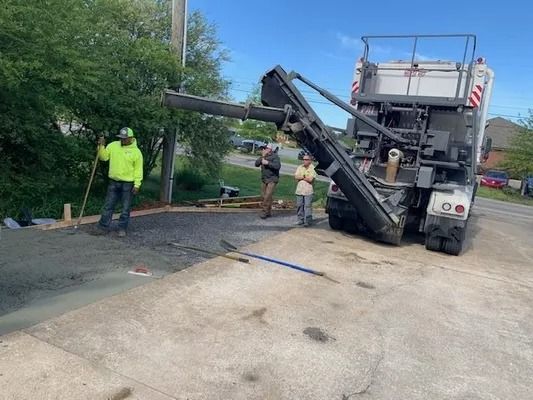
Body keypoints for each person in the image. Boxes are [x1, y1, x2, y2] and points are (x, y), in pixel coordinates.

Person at [96, 127, 143, 237]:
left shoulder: (136, 152)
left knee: (125, 208)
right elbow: (103, 158)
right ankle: (103, 226)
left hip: (128, 184)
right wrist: (101, 146)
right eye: (121, 138)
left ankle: (122, 228)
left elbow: (138, 170)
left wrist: (137, 184)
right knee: (108, 205)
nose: (122, 140)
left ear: (131, 138)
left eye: (125, 138)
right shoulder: (113, 145)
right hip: (113, 181)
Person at [254, 144, 281, 219]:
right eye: (264, 148)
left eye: (266, 148)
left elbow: (277, 166)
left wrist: (268, 163)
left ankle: (264, 212)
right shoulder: (264, 156)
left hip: (272, 179)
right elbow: (256, 164)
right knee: (264, 196)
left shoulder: (275, 157)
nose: (264, 149)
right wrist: (262, 156)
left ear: (270, 149)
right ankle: (268, 212)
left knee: (267, 196)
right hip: (264, 179)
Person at [294, 154, 316, 226]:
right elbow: (296, 176)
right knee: (299, 205)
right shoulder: (300, 167)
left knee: (307, 206)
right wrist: (304, 176)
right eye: (303, 159)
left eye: (306, 159)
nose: (304, 161)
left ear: (310, 161)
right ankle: (300, 220)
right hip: (299, 190)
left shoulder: (313, 168)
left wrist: (301, 177)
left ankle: (308, 221)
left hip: (308, 191)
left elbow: (310, 179)